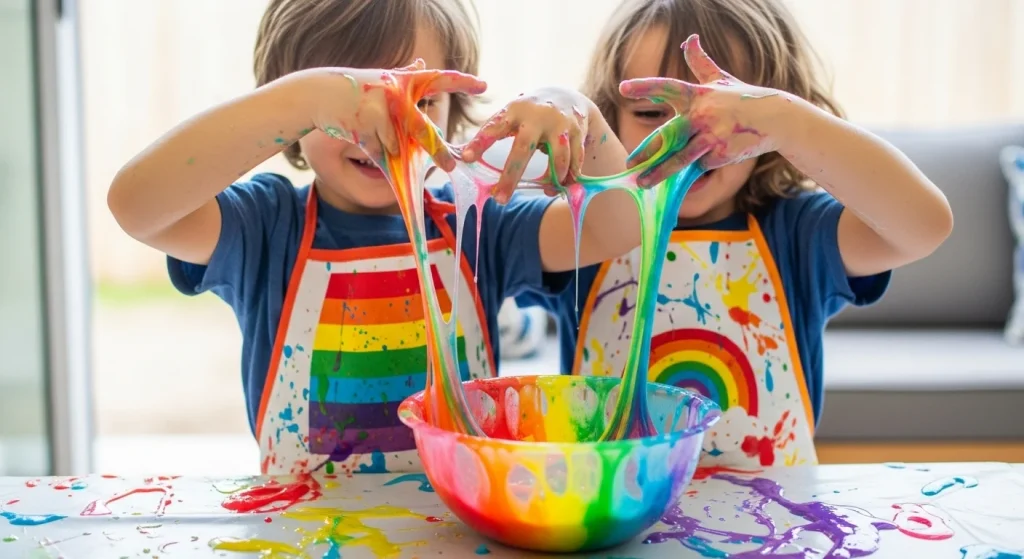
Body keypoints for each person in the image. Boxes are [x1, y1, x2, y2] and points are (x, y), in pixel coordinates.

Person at [106, 0, 638, 475]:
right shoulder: (265, 227)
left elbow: (617, 226)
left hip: (455, 530)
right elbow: (137, 207)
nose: (384, 128)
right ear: (295, 117)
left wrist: (580, 115)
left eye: (420, 100)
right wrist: (300, 99)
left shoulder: (479, 221)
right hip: (305, 530)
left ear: (452, 110)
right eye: (349, 107)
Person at [532, 0, 953, 468]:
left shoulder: (797, 234)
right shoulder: (587, 234)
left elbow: (925, 227)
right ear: (611, 118)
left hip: (775, 525)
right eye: (650, 114)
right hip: (616, 520)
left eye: (724, 120)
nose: (684, 139)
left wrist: (789, 122)